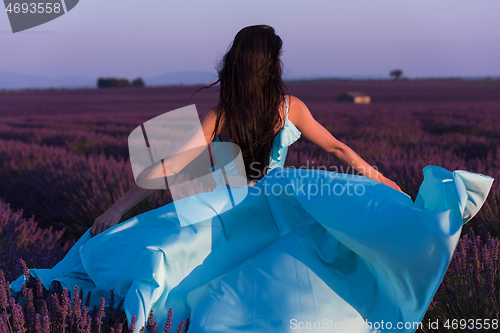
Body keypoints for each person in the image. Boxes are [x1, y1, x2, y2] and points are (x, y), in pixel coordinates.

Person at [11, 25, 494, 333]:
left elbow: (171, 167)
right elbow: (338, 149)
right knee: (298, 269)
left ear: (237, 65)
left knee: (175, 258)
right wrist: (385, 184)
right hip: (281, 202)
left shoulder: (221, 112)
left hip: (225, 204)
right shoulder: (291, 107)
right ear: (272, 64)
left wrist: (118, 208)